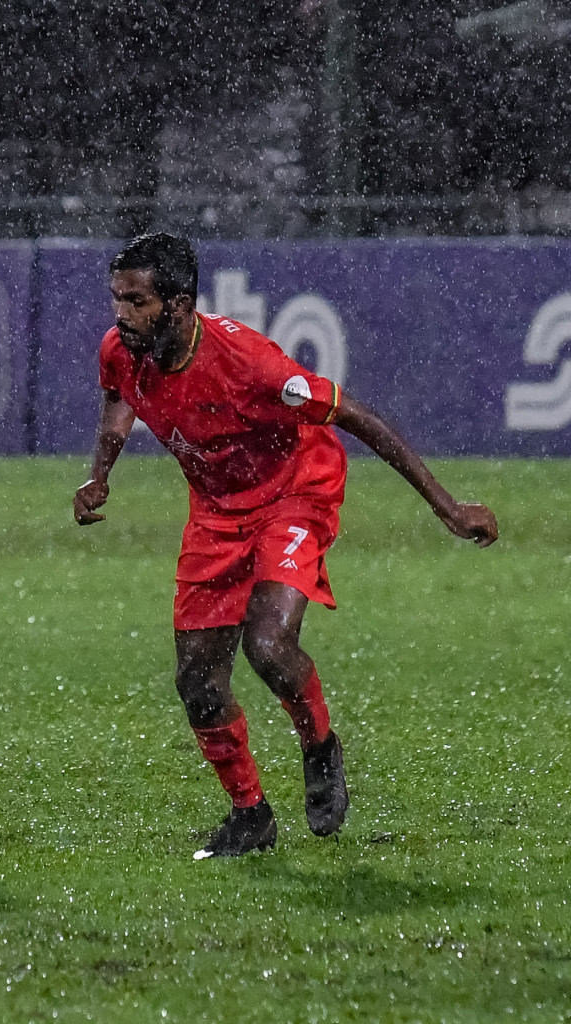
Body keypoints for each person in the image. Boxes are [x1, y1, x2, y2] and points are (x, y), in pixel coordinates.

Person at [72, 233, 498, 859]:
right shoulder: (122, 350)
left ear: (181, 303)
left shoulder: (250, 364)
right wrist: (100, 472)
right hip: (217, 514)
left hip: (294, 492)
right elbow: (117, 397)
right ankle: (250, 816)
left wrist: (447, 506)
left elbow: (358, 417)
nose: (121, 314)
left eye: (136, 301)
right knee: (197, 680)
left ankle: (320, 743)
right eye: (116, 299)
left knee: (268, 644)